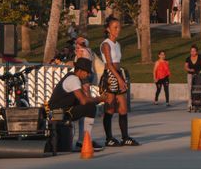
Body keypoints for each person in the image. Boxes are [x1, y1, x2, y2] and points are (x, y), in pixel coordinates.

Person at [99, 16, 136, 147]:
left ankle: (125, 137)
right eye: (115, 27)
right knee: (110, 107)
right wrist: (119, 79)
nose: (118, 30)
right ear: (108, 29)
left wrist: (121, 76)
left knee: (123, 107)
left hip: (118, 73)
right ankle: (109, 138)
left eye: (119, 27)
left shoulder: (117, 44)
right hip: (110, 75)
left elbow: (117, 63)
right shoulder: (105, 44)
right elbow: (109, 64)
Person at [48, 59, 95, 151]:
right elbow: (84, 101)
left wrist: (87, 87)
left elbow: (86, 99)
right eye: (87, 72)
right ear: (80, 71)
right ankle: (83, 141)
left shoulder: (74, 78)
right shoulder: (73, 80)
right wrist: (100, 99)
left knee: (88, 107)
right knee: (91, 108)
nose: (88, 75)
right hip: (57, 113)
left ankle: (83, 141)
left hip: (61, 110)